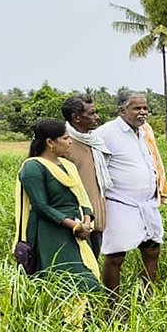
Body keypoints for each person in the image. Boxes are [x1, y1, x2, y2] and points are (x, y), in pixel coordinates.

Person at [14, 120, 101, 292]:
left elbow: (82, 198)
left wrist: (86, 221)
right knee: (63, 280)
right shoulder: (33, 167)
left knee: (86, 278)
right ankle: (66, 319)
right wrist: (74, 225)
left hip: (78, 231)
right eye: (65, 138)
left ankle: (83, 318)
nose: (70, 142)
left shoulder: (69, 166)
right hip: (52, 232)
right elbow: (41, 206)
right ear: (50, 142)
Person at [95, 91, 167, 297]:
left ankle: (147, 299)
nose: (143, 112)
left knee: (152, 249)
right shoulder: (106, 133)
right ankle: (113, 305)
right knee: (115, 256)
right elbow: (96, 166)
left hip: (147, 204)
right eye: (137, 108)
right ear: (122, 110)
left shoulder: (145, 131)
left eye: (145, 108)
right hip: (119, 203)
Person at [60, 95, 109, 256]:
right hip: (76, 218)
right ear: (76, 118)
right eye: (92, 113)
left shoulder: (94, 140)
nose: (97, 117)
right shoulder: (63, 144)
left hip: (96, 215)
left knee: (94, 262)